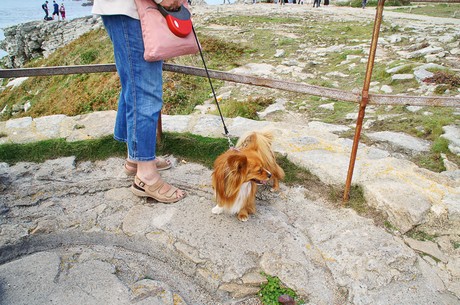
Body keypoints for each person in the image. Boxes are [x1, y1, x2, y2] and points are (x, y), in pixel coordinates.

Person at [92, 0, 186, 203]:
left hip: (125, 9)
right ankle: (146, 177)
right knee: (145, 92)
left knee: (134, 85)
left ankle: (137, 159)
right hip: (131, 10)